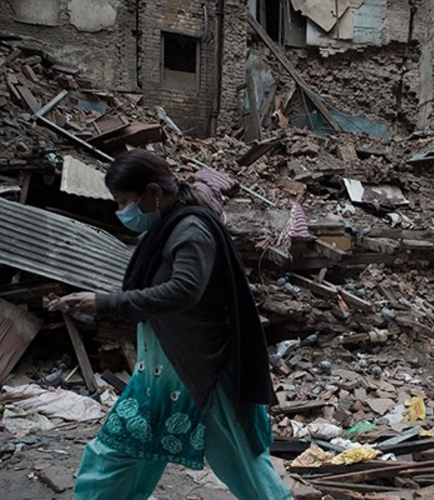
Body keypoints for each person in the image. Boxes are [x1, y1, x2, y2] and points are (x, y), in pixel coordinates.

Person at [48, 149, 292, 500]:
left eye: (125, 201)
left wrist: (107, 304)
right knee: (114, 456)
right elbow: (157, 296)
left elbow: (184, 290)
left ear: (153, 192)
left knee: (243, 468)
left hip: (198, 374)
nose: (122, 213)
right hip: (161, 374)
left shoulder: (191, 229)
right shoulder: (168, 229)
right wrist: (98, 307)